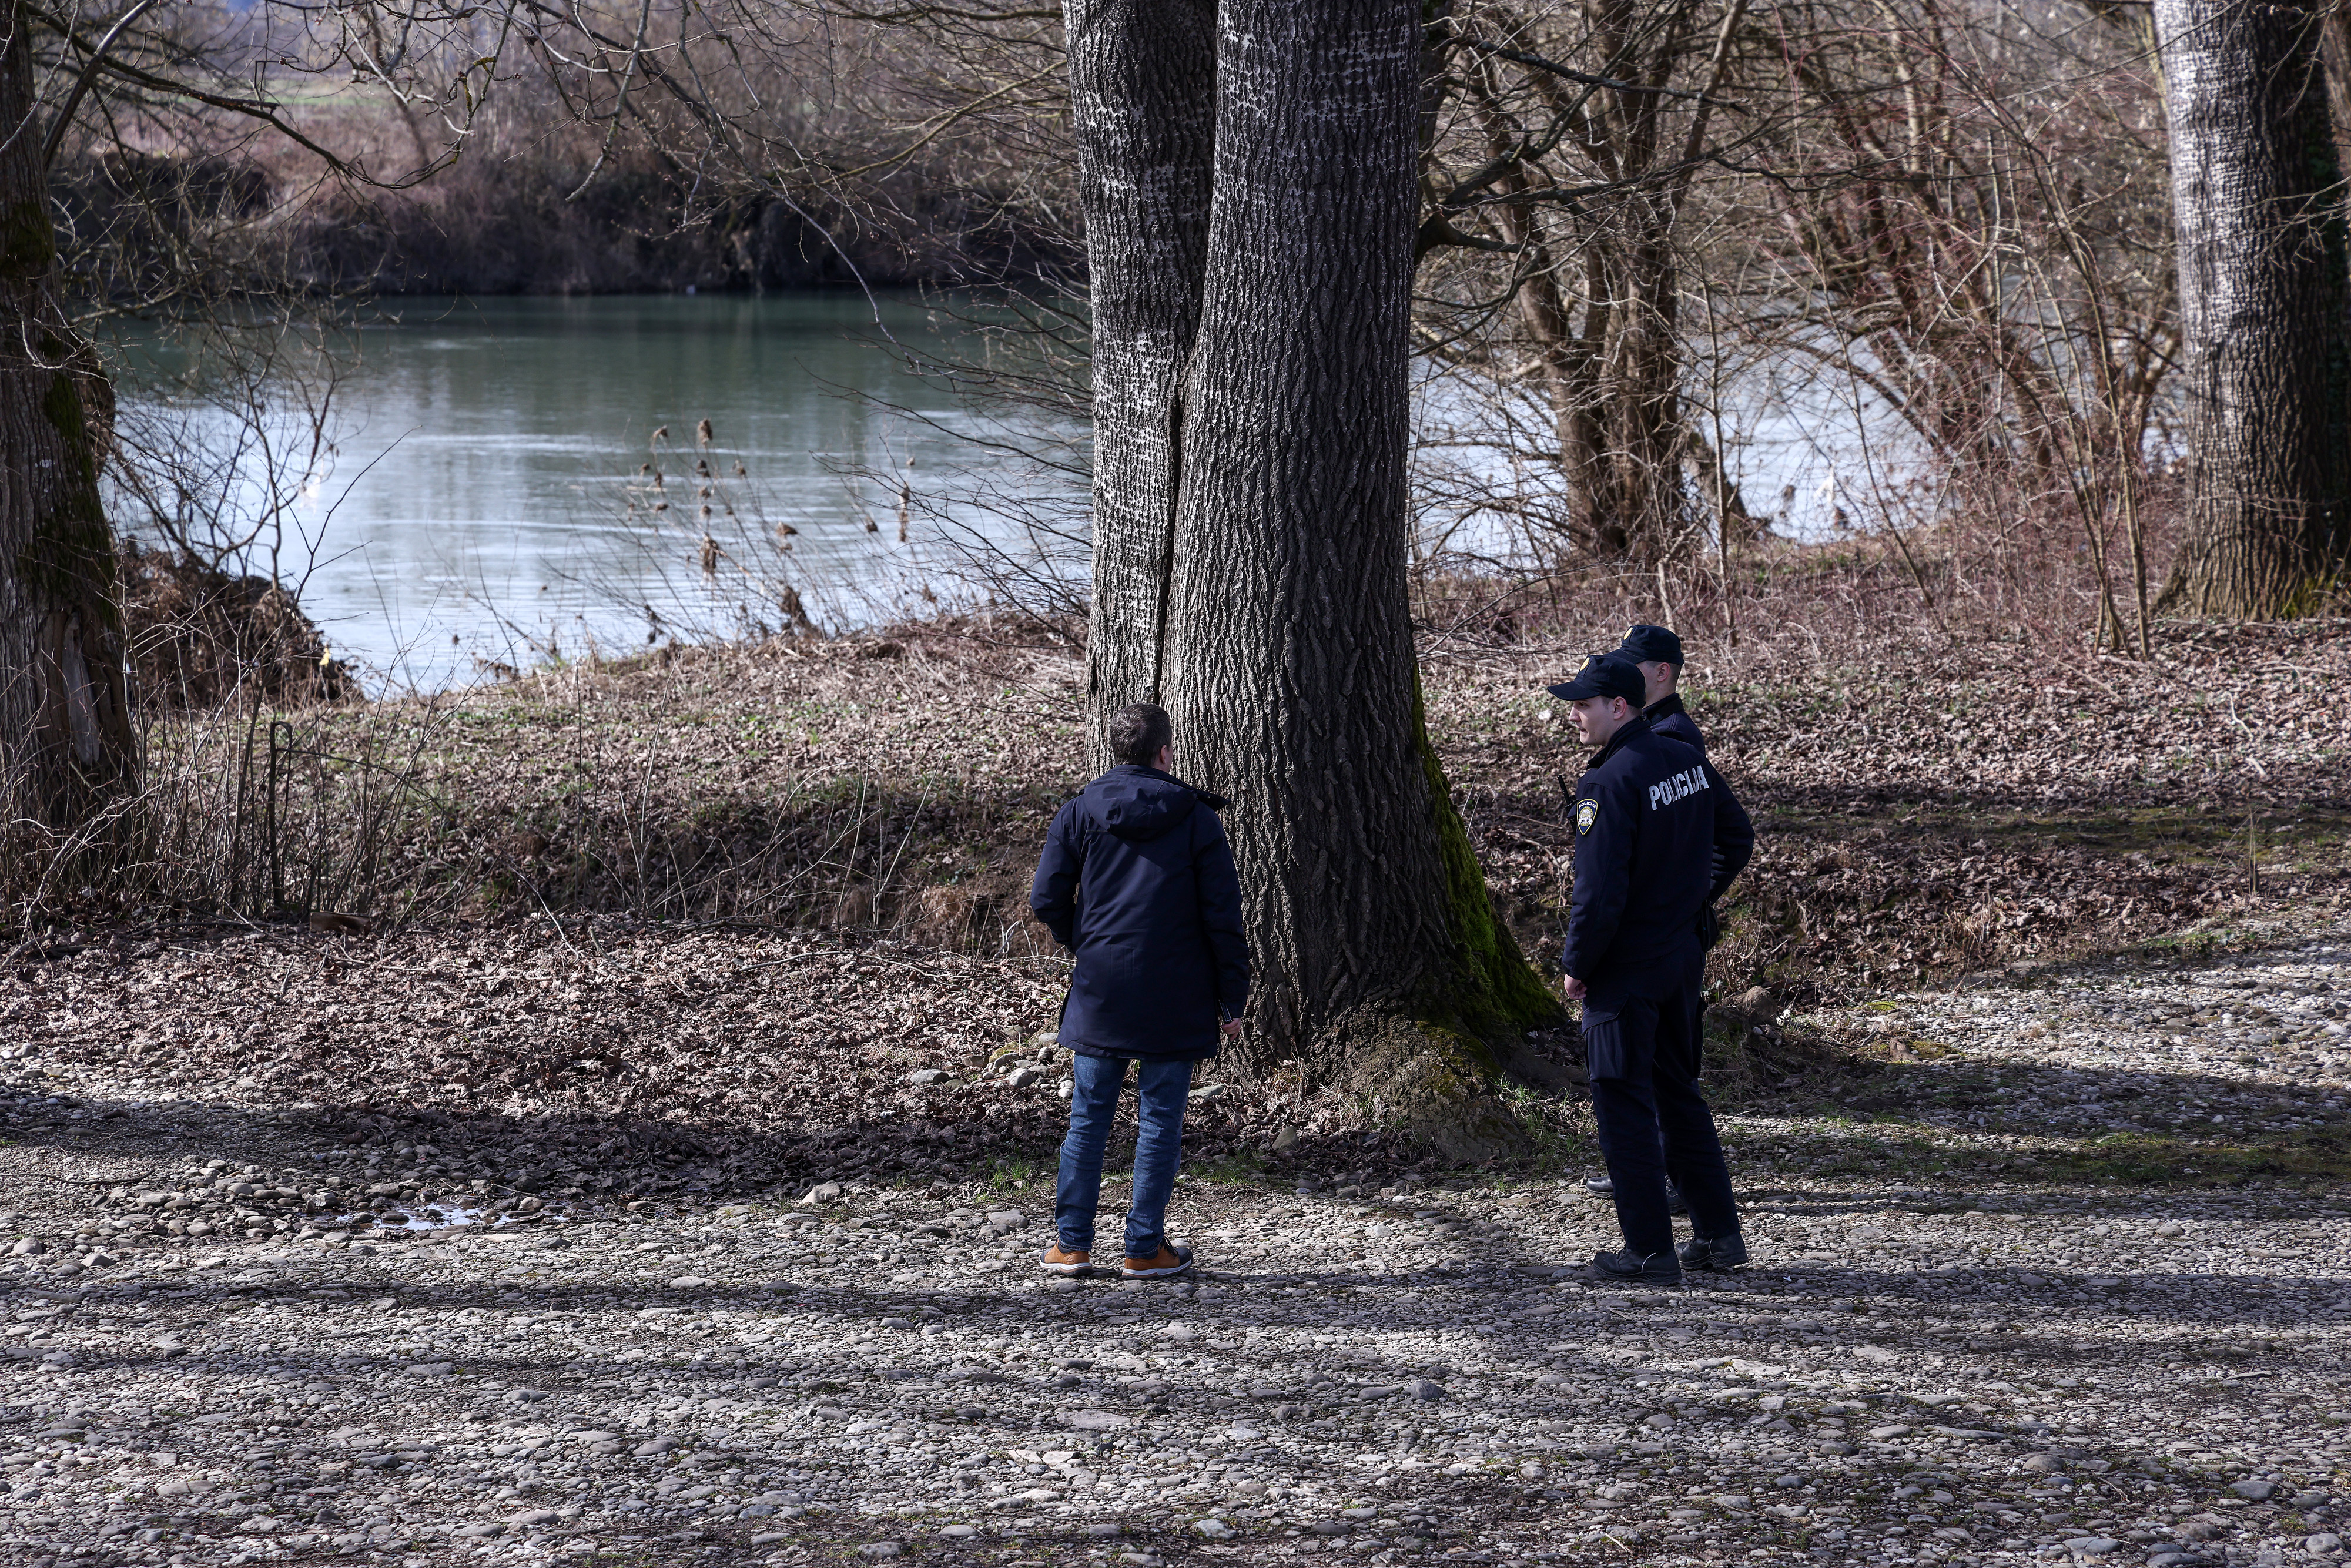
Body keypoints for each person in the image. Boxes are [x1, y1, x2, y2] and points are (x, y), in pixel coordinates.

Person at [1029, 702, 1250, 1282]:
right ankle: (1143, 1248)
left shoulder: (1079, 811)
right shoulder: (1197, 818)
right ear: (1165, 753)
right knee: (1159, 1121)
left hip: (1101, 986)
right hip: (1177, 989)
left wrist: (1083, 940)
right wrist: (1232, 997)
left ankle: (1072, 1246)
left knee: (1087, 1119)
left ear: (1117, 750)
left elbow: (1046, 898)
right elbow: (1223, 917)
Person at [1550, 655, 1752, 1284]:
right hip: (1680, 958)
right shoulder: (1684, 758)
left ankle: (1648, 1251)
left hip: (1626, 968)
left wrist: (1577, 965)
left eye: (1584, 704)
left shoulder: (1608, 782)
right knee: (1678, 1095)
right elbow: (1736, 837)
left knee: (1623, 1103)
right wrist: (1688, 902)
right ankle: (1719, 1236)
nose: (1574, 715)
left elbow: (1598, 893)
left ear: (1620, 707)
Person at [1615, 624, 1703, 753]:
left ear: (1662, 672)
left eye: (1631, 666)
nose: (1622, 672)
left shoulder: (1671, 735)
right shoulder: (1647, 723)